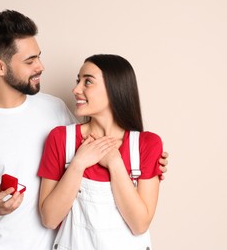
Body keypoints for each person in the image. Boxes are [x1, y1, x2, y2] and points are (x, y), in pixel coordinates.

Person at [0, 10, 169, 250]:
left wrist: (149, 160)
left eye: (38, 56)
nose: (41, 66)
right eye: (30, 61)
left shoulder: (54, 108)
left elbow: (97, 142)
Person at [38, 54, 163, 249]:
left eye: (87, 81)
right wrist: (78, 164)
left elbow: (139, 225)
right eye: (78, 81)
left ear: (115, 89)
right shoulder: (61, 138)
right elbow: (50, 219)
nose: (76, 89)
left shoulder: (147, 144)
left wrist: (114, 162)